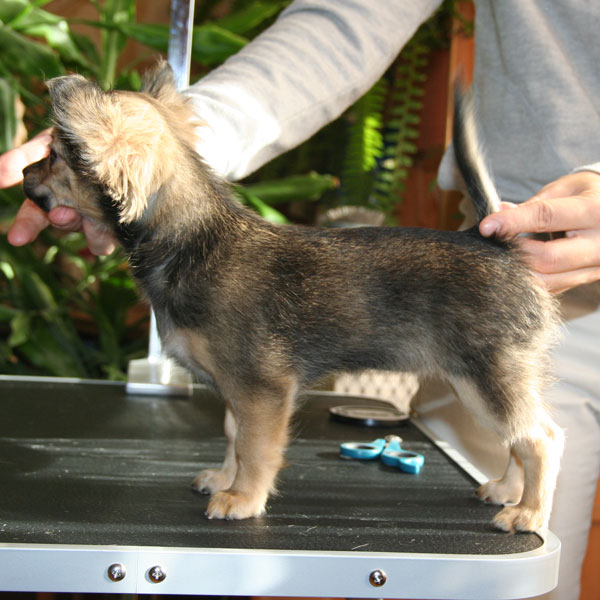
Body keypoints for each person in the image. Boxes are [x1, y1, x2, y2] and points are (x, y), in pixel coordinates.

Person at [2, 2, 599, 598]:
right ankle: (508, 476)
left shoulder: (223, 282)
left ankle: (532, 479)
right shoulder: (211, 265)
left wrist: (249, 488)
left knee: (503, 413)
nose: (46, 176)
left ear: (110, 170)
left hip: (483, 280)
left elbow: (264, 389)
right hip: (495, 237)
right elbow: (349, 21)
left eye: (59, 163)